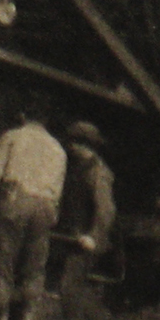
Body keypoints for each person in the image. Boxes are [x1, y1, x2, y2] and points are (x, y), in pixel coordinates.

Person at [0, 109, 67, 320]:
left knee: (4, 263)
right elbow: (58, 191)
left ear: (22, 116)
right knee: (35, 266)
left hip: (16, 200)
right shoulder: (58, 149)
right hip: (45, 206)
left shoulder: (12, 137)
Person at [53, 120, 116, 304]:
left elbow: (106, 210)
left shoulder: (98, 173)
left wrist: (94, 237)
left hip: (84, 242)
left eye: (72, 142)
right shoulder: (75, 167)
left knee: (68, 289)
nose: (69, 146)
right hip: (68, 236)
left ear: (83, 145)